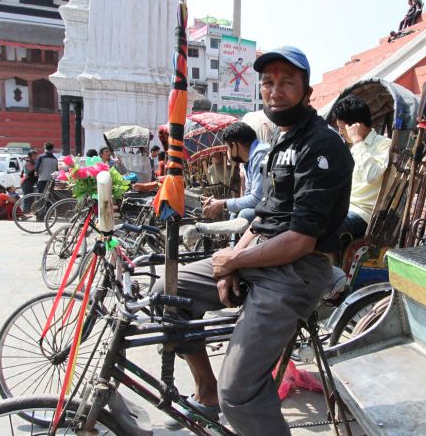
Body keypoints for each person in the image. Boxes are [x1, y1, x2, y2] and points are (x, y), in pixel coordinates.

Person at [155, 46, 353, 434]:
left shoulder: (322, 144)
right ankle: (206, 392)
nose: (275, 90)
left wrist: (238, 263)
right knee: (168, 293)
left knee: (240, 389)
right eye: (268, 83)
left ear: (307, 92)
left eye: (287, 83)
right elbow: (262, 217)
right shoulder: (281, 141)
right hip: (262, 256)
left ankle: (227, 396)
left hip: (297, 270)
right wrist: (233, 256)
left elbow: (299, 240)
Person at [330, 94, 392, 248]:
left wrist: (358, 142)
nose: (341, 132)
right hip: (345, 208)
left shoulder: (384, 145)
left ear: (355, 126)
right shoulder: (353, 149)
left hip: (365, 215)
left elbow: (371, 176)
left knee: (325, 229)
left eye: (342, 127)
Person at [200, 122, 270, 222]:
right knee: (234, 213)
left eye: (227, 148)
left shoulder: (260, 156)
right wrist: (220, 202)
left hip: (276, 209)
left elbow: (257, 199)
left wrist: (223, 203)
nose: (227, 153)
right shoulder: (249, 159)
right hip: (263, 205)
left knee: (244, 214)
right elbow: (248, 193)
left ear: (234, 146)